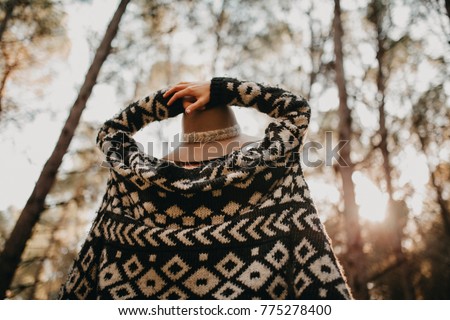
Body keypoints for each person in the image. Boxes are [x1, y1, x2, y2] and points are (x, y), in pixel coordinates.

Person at [60, 77, 352, 299]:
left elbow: (111, 132)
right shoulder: (273, 172)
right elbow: (296, 110)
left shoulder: (131, 186)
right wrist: (224, 89)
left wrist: (167, 101)